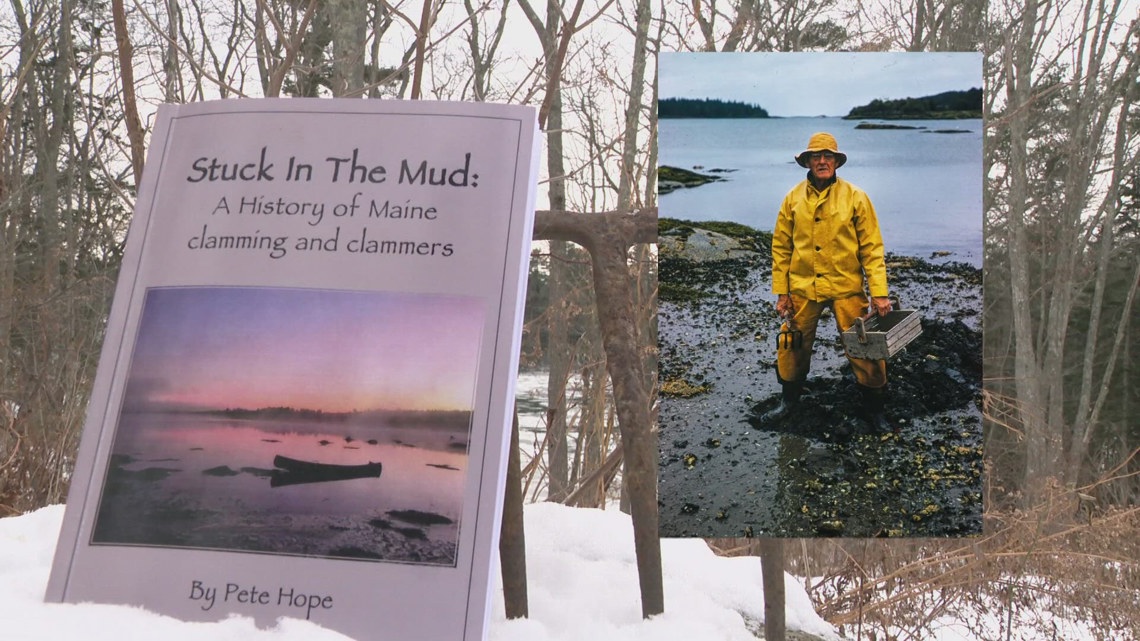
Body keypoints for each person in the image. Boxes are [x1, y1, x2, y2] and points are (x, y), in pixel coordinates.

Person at [763, 132, 892, 433]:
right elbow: (781, 248)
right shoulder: (792, 199)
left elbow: (872, 248)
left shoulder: (856, 197)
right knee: (791, 346)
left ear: (836, 161)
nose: (822, 161)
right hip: (803, 289)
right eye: (816, 156)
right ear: (806, 161)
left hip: (846, 287)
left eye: (828, 156)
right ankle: (788, 403)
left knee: (866, 346)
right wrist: (782, 293)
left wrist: (880, 293)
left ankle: (875, 412)